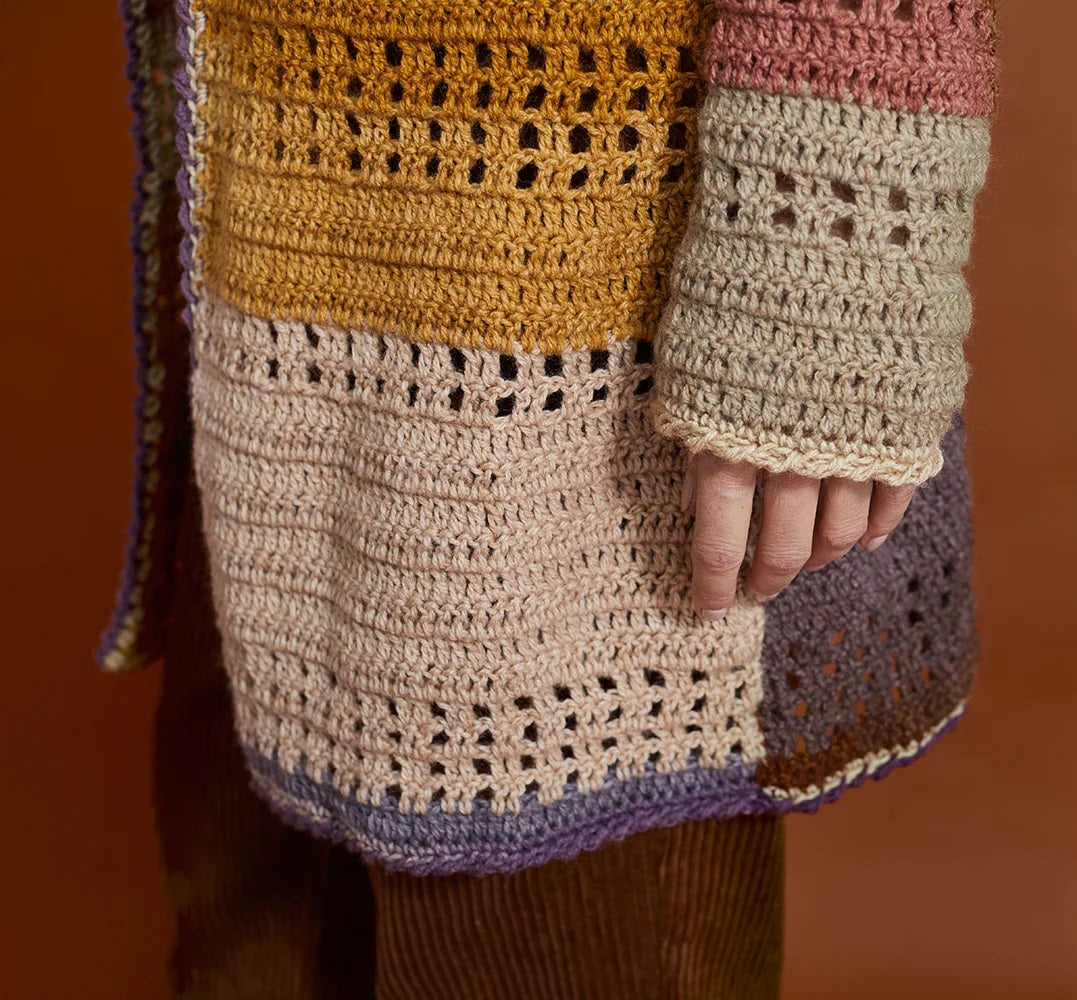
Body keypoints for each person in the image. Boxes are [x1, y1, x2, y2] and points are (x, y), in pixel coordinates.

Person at [104, 0, 998, 995]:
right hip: (270, 264)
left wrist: (831, 232)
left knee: (551, 930)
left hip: (574, 285)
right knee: (257, 941)